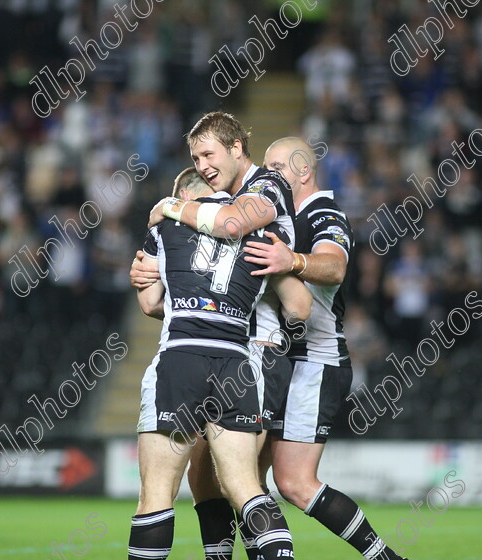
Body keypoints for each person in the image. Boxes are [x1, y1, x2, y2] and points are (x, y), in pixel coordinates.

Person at [135, 112, 300, 558]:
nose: (203, 163)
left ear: (236, 147)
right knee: (233, 485)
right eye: (196, 157)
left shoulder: (266, 186)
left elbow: (150, 302)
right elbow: (299, 305)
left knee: (158, 493)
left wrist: (168, 208)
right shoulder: (248, 221)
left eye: (209, 153)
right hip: (240, 357)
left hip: (214, 351)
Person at [243, 137, 408, 559]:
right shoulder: (279, 216)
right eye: (265, 166)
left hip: (313, 360)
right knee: (243, 479)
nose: (268, 174)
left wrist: (292, 261)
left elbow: (334, 265)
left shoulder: (323, 212)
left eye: (278, 166)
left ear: (303, 171)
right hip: (278, 360)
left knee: (294, 483)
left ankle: (385, 558)